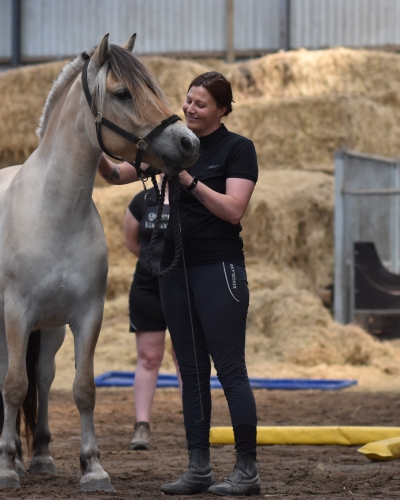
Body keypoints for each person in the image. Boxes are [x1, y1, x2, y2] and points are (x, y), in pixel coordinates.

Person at [98, 71, 260, 497]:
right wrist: (90, 142)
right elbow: (116, 175)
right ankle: (199, 468)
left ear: (222, 110)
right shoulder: (167, 146)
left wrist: (187, 178)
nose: (190, 109)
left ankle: (246, 470)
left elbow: (233, 210)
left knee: (230, 370)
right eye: (188, 100)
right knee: (190, 373)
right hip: (174, 272)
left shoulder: (238, 149)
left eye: (201, 104)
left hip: (218, 269)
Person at [124, 178, 182, 451]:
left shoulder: (196, 197)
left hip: (184, 284)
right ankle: (142, 427)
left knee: (185, 357)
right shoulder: (142, 200)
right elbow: (132, 243)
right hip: (147, 287)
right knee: (149, 357)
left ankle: (195, 424)